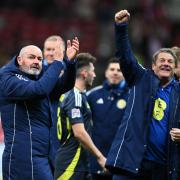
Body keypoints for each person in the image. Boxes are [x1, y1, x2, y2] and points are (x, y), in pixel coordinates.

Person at [105, 10, 180, 180]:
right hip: (132, 163)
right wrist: (121, 28)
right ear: (153, 66)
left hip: (164, 167)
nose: (166, 64)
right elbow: (125, 57)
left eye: (170, 62)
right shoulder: (141, 79)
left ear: (175, 68)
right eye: (162, 61)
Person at [0, 42, 78, 179]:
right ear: (19, 60)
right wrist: (58, 62)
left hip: (41, 154)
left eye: (39, 59)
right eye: (31, 57)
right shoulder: (8, 77)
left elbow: (64, 86)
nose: (36, 62)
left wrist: (70, 63)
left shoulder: (38, 79)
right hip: (23, 156)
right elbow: (38, 90)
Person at [54, 53, 106, 180]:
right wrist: (100, 157)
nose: (94, 75)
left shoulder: (78, 95)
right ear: (84, 73)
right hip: (70, 165)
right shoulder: (75, 96)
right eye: (92, 71)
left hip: (79, 163)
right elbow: (79, 132)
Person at [87, 57, 129, 180]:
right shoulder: (92, 95)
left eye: (119, 70)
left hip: (121, 161)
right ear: (106, 72)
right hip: (95, 159)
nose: (115, 72)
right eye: (112, 69)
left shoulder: (132, 96)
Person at [43, 35, 79, 170]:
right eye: (48, 49)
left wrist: (70, 63)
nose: (51, 53)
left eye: (55, 50)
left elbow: (66, 85)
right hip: (42, 130)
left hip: (64, 130)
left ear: (64, 51)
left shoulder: (69, 70)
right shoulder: (36, 70)